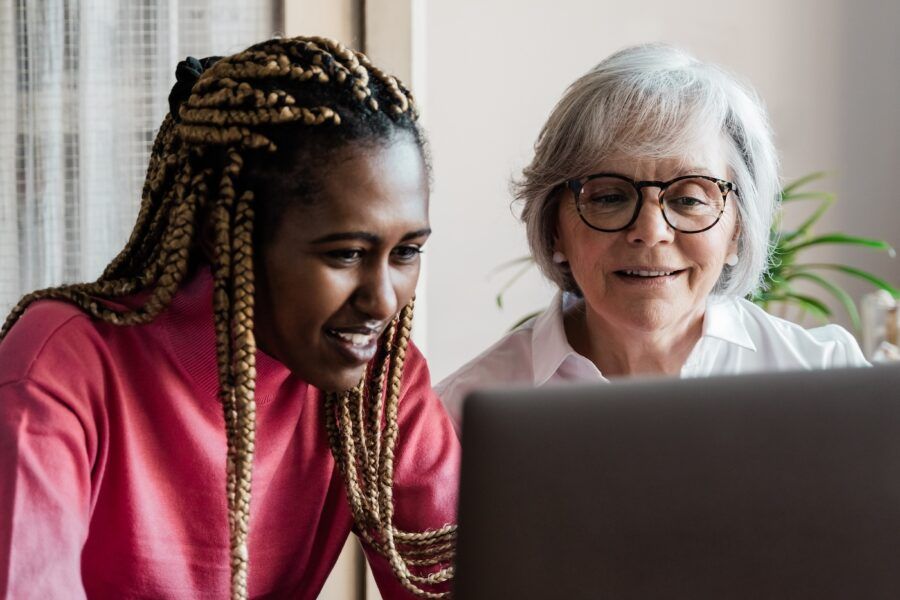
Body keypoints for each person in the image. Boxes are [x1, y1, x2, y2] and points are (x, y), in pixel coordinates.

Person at [0, 36, 457, 599]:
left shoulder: (379, 383)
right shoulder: (62, 364)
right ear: (222, 235)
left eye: (407, 252)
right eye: (346, 254)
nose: (384, 301)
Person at [437, 43, 869, 429]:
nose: (651, 231)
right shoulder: (461, 417)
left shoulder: (830, 380)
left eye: (689, 199)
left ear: (737, 229)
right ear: (555, 230)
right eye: (608, 197)